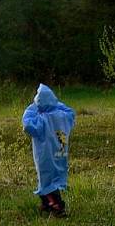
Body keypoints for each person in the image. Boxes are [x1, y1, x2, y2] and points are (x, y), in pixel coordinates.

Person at [22, 84, 76, 217]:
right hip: (60, 154)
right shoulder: (63, 116)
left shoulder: (41, 120)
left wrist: (33, 107)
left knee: (47, 182)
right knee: (56, 178)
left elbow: (27, 125)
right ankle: (46, 204)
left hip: (45, 156)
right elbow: (70, 112)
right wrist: (55, 104)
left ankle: (56, 206)